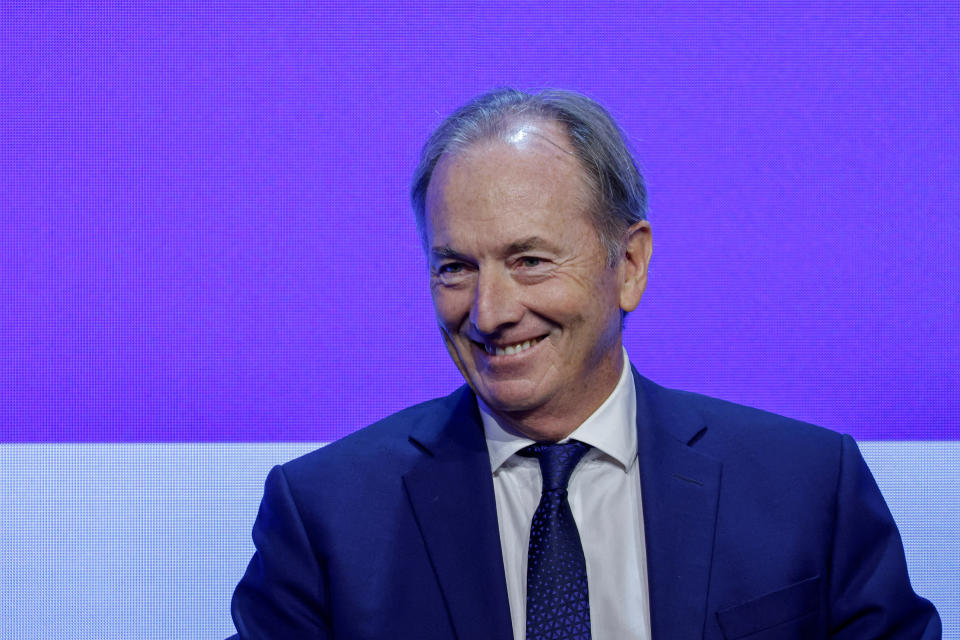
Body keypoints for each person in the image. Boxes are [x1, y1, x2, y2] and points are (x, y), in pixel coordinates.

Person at [229, 88, 940, 639]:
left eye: (529, 261)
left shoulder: (809, 488)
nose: (489, 311)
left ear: (628, 265)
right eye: (454, 267)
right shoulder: (324, 517)